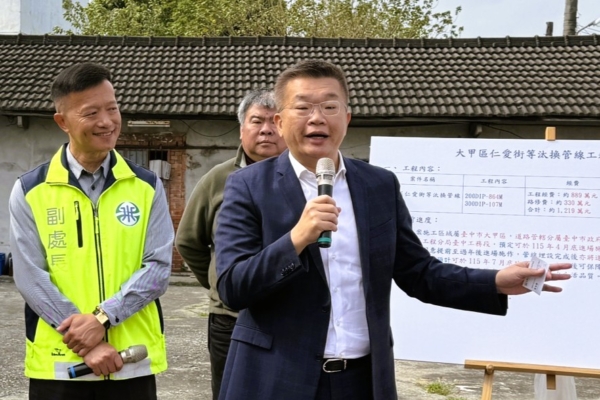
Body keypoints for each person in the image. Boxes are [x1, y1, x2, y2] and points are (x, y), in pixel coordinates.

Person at [213, 60, 572, 400]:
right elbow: (232, 286)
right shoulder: (248, 186)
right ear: (280, 120)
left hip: (362, 380)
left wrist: (494, 282)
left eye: (330, 106)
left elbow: (419, 272)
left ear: (347, 117)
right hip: (276, 377)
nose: (317, 118)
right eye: (303, 107)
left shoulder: (378, 185)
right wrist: (296, 239)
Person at [8, 62, 174, 400]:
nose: (107, 121)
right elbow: (29, 277)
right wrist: (87, 342)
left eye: (112, 109)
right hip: (61, 364)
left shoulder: (146, 186)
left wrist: (103, 318)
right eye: (91, 113)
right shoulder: (30, 190)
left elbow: (158, 269)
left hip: (131, 362)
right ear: (62, 122)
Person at [175, 89, 286, 399]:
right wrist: (220, 284)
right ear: (241, 129)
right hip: (231, 319)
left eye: (275, 121)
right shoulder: (218, 178)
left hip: (289, 317)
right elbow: (189, 241)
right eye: (257, 121)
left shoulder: (304, 178)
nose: (266, 129)